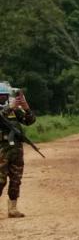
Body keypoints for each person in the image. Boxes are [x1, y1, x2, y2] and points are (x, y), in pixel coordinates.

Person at [0, 82, 36, 218]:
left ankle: (12, 209)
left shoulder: (14, 111)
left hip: (16, 150)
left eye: (5, 96)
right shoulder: (7, 109)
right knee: (0, 180)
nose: (3, 99)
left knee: (16, 179)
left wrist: (26, 108)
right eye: (0, 97)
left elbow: (30, 121)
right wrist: (9, 107)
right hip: (1, 150)